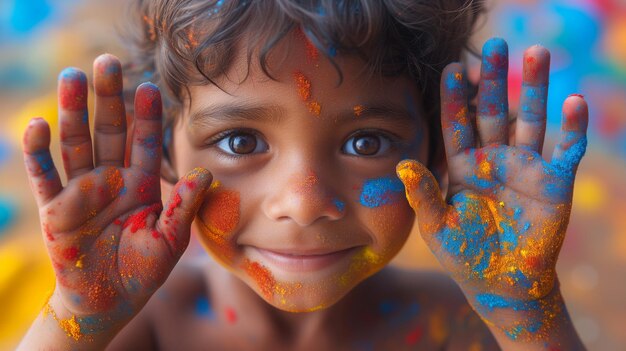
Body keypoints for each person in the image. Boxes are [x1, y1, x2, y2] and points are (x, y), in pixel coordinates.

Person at [19, 0, 588, 349]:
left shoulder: (465, 326)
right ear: (161, 150)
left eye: (366, 142)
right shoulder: (136, 329)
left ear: (440, 151)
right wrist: (77, 318)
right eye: (240, 141)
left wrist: (528, 312)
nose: (304, 202)